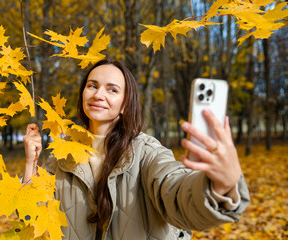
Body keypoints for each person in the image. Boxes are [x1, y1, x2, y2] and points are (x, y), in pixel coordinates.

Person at [23, 59, 250, 240]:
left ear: (125, 104)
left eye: (112, 90)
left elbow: (176, 192)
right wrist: (30, 163)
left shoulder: (147, 152)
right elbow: (31, 217)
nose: (98, 94)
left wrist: (221, 186)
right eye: (92, 86)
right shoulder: (62, 158)